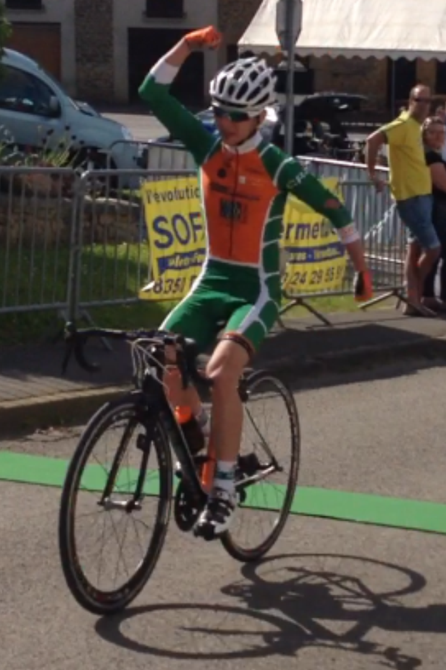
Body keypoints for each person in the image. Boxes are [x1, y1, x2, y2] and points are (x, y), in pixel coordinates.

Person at [139, 26, 373, 538]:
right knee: (159, 355)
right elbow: (152, 92)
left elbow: (336, 210)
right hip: (211, 281)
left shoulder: (277, 165)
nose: (222, 121)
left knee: (221, 371)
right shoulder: (206, 146)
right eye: (218, 111)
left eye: (234, 115)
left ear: (259, 116)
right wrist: (188, 45)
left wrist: (362, 269)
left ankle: (223, 487)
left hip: (257, 289)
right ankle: (199, 436)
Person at [366, 85, 441, 316]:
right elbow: (372, 140)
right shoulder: (402, 124)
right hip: (411, 197)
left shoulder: (416, 127)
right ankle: (414, 293)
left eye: (428, 101)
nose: (425, 105)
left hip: (422, 195)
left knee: (414, 249)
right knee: (434, 249)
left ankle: (412, 301)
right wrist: (373, 175)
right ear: (411, 101)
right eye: (420, 100)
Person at [421, 116, 446, 309]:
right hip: (438, 208)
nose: (438, 136)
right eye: (433, 132)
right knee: (436, 252)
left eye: (442, 132)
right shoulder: (431, 157)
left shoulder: (436, 155)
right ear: (424, 134)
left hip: (438, 207)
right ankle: (427, 295)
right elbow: (443, 184)